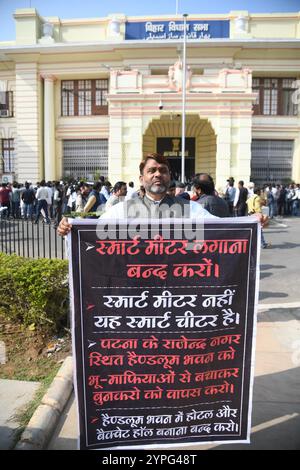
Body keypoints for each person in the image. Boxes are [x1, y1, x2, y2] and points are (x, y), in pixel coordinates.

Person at [57, 153, 216, 236]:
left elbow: (224, 230)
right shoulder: (121, 211)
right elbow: (93, 233)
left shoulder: (191, 209)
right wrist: (69, 227)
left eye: (163, 171)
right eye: (151, 171)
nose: (157, 175)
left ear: (169, 177)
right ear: (141, 179)